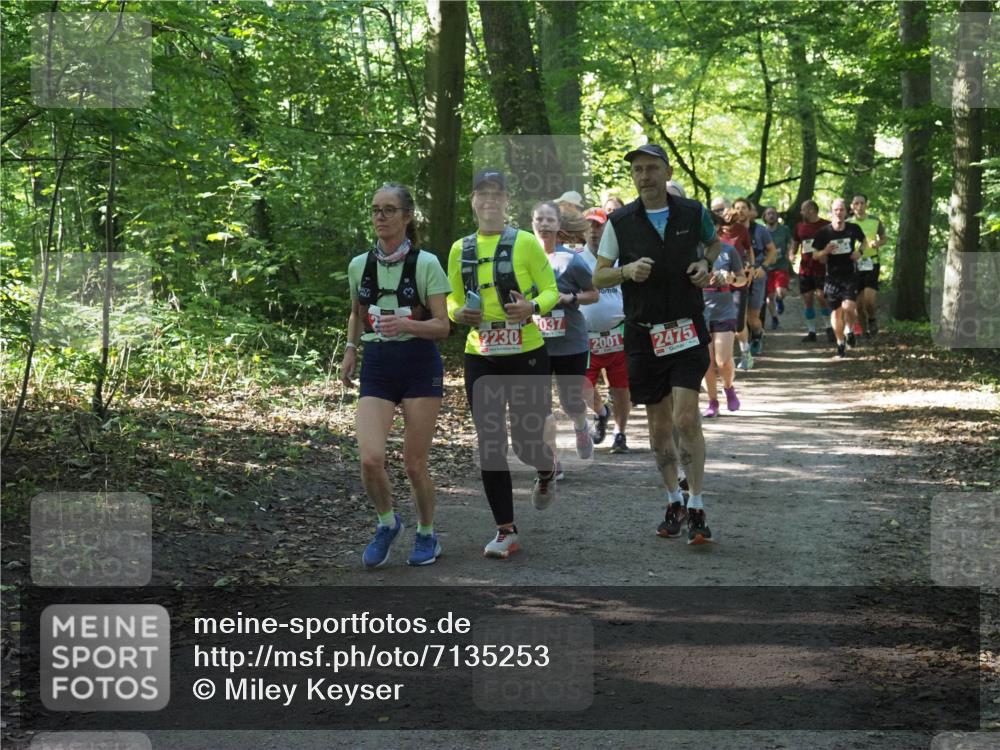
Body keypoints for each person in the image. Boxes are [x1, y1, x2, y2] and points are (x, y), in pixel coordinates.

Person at [593, 144, 722, 545]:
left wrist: (706, 263)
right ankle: (674, 499)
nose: (644, 175)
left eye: (651, 168)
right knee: (658, 428)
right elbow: (599, 276)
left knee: (686, 418)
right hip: (643, 333)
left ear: (666, 172)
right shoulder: (620, 220)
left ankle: (698, 504)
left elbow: (713, 245)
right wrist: (627, 270)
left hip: (686, 329)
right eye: (637, 170)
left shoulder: (692, 212)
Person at [447, 169, 561, 559]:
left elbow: (551, 290)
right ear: (473, 200)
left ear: (507, 201)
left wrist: (532, 306)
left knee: (528, 443)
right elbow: (451, 298)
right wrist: (458, 313)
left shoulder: (526, 243)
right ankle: (506, 530)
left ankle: (545, 468)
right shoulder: (459, 248)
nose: (490, 200)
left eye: (497, 194)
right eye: (483, 193)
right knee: (490, 443)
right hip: (481, 353)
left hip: (526, 350)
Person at [342, 183, 451, 568]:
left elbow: (443, 326)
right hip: (378, 365)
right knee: (370, 459)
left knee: (413, 464)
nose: (380, 218)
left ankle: (427, 533)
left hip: (419, 364)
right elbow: (357, 311)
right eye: (375, 210)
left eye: (389, 210)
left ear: (407, 217)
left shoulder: (426, 264)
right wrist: (351, 350)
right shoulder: (360, 265)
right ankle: (387, 522)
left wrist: (407, 323)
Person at [531, 201, 599, 473]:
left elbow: (593, 293)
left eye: (550, 220)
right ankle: (552, 460)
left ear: (559, 226)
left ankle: (581, 427)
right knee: (541, 404)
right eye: (540, 219)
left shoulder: (572, 259)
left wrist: (571, 297)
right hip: (536, 342)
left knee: (571, 400)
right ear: (532, 224)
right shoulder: (523, 259)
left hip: (570, 341)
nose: (545, 224)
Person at [578, 207, 631, 453]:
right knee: (581, 385)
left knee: (621, 387)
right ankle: (601, 412)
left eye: (598, 226)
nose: (594, 231)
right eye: (589, 226)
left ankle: (620, 433)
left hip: (618, 332)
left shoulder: (620, 259)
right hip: (586, 336)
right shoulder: (576, 259)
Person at [702, 210, 747, 417]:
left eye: (710, 224)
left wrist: (731, 279)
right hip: (699, 312)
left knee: (723, 361)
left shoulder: (729, 251)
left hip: (724, 310)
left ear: (717, 227)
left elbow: (742, 280)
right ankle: (712, 402)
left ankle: (728, 387)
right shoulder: (691, 252)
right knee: (706, 362)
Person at [813, 198, 866, 358]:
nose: (839, 213)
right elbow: (815, 255)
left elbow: (864, 242)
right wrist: (825, 251)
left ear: (846, 211)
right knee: (836, 313)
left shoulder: (853, 228)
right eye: (836, 210)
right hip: (832, 277)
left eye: (841, 209)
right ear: (831, 212)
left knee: (849, 307)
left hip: (849, 275)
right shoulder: (824, 232)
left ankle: (849, 329)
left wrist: (859, 252)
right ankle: (840, 344)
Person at [733, 198, 776, 361]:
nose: (740, 211)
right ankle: (745, 351)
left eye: (744, 208)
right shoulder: (730, 231)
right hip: (738, 278)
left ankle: (757, 335)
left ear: (750, 212)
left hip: (757, 277)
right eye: (737, 208)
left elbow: (772, 251)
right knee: (739, 316)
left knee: (753, 317)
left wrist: (763, 267)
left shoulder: (760, 231)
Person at [792, 200, 831, 342]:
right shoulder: (800, 226)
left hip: (821, 268)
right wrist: (791, 254)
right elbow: (795, 242)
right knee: (808, 299)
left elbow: (833, 244)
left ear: (812, 210)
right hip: (805, 268)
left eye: (803, 209)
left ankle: (829, 328)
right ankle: (811, 331)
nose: (801, 212)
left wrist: (827, 256)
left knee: (822, 297)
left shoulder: (826, 225)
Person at [848, 194, 887, 338]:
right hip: (854, 265)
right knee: (858, 305)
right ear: (852, 206)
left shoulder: (875, 221)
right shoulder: (848, 222)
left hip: (872, 262)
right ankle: (864, 332)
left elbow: (884, 238)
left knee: (869, 301)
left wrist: (878, 243)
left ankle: (872, 319)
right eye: (856, 203)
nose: (859, 206)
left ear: (866, 205)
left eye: (862, 203)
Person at [762, 206, 793, 330]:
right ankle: (774, 318)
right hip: (767, 267)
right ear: (764, 217)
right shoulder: (763, 231)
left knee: (781, 292)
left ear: (777, 216)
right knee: (769, 296)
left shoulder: (784, 229)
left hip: (781, 266)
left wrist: (790, 253)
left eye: (773, 213)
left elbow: (790, 243)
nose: (771, 215)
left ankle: (780, 300)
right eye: (768, 213)